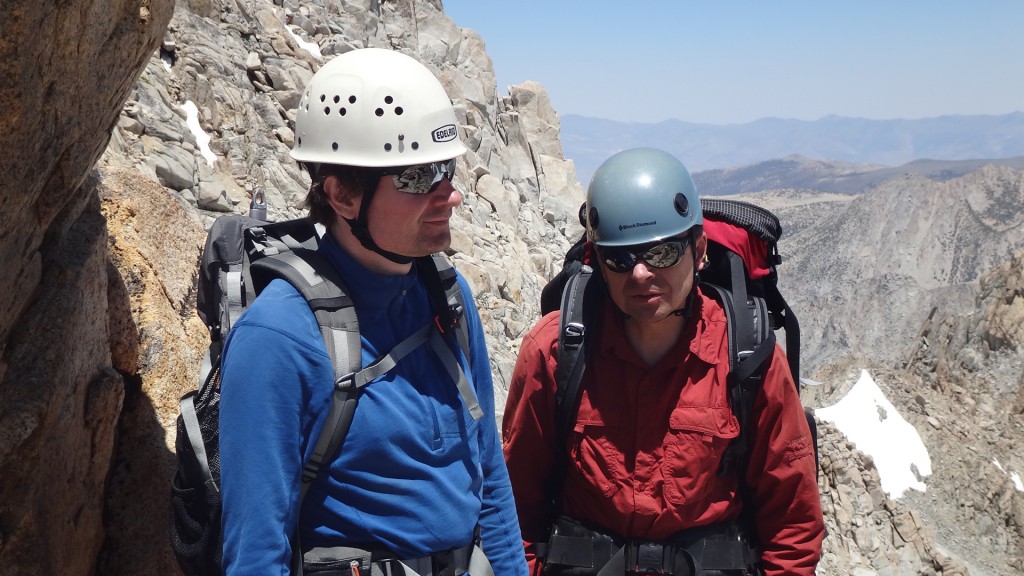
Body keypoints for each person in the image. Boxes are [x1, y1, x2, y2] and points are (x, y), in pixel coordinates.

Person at [218, 48, 528, 576]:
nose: (448, 195)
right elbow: (255, 551)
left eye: (446, 169)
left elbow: (487, 473)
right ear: (341, 195)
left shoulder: (449, 297)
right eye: (415, 177)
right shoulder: (279, 337)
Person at [502, 148, 824, 575]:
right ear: (598, 260)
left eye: (662, 254)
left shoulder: (747, 358)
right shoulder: (554, 352)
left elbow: (792, 526)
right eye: (620, 258)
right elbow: (514, 510)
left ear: (699, 248)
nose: (640, 274)